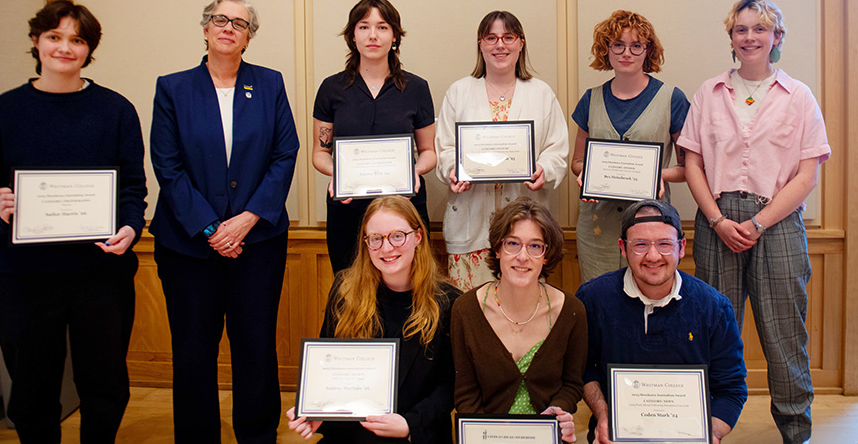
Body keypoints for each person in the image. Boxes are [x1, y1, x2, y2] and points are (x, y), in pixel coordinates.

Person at [0, 0, 147, 442]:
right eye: (54, 37)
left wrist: (129, 226)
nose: (65, 48)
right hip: (24, 277)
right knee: (31, 390)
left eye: (77, 40)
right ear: (36, 42)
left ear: (89, 49)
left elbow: (132, 188)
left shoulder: (115, 110)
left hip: (100, 273)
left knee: (105, 385)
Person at [678, 0, 830, 444]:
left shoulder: (798, 96)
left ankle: (795, 431)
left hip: (778, 224)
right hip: (716, 220)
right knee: (709, 330)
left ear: (776, 37)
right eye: (741, 30)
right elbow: (693, 164)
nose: (750, 37)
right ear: (731, 38)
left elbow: (807, 175)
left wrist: (759, 222)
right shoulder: (709, 92)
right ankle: (703, 429)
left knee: (784, 332)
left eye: (760, 29)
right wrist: (718, 219)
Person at [150, 0, 299, 443]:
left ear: (249, 37)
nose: (228, 27)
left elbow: (285, 153)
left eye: (239, 23)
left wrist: (248, 217)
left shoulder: (269, 84)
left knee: (255, 347)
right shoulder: (173, 87)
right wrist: (212, 228)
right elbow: (166, 164)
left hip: (257, 243)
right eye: (220, 19)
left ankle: (257, 436)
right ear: (205, 28)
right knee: (193, 352)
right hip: (188, 246)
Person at [287, 196, 460, 444]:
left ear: (418, 237)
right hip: (352, 433)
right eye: (376, 239)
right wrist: (317, 410)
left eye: (397, 236)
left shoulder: (449, 302)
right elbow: (326, 364)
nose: (387, 248)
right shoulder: (345, 290)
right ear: (366, 243)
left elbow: (449, 385)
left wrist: (410, 424)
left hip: (413, 432)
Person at [576, 199, 747, 444]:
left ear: (681, 247)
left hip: (689, 437)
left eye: (665, 244)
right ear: (623, 248)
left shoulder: (713, 307)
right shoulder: (593, 298)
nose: (653, 256)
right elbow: (583, 369)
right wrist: (603, 416)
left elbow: (731, 388)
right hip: (615, 435)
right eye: (640, 245)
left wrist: (713, 432)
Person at [436, 11, 569, 290]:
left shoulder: (541, 93)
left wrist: (545, 169)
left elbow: (557, 150)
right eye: (491, 37)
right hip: (470, 228)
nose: (500, 45)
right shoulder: (459, 92)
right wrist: (452, 170)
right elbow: (445, 146)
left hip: (526, 232)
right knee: (471, 315)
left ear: (521, 44)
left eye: (508, 37)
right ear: (480, 44)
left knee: (520, 312)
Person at [313, 0, 436, 273]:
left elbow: (429, 152)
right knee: (349, 289)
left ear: (394, 37)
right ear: (352, 37)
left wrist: (414, 171)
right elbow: (320, 153)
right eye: (363, 26)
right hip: (348, 208)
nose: (372, 35)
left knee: (409, 288)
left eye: (382, 27)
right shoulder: (331, 89)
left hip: (405, 206)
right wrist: (338, 175)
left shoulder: (416, 88)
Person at [451, 197, 585, 443]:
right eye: (513, 243)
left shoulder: (572, 310)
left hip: (548, 436)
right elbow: (465, 395)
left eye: (535, 246)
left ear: (546, 255)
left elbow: (573, 385)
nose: (523, 256)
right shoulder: (465, 310)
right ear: (498, 249)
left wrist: (558, 410)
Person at [570, 10, 689, 283]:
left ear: (648, 51)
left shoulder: (672, 99)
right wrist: (587, 175)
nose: (627, 53)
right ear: (606, 50)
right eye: (618, 45)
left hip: (650, 229)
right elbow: (577, 161)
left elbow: (687, 168)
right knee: (600, 305)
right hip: (597, 228)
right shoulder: (591, 100)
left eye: (636, 46)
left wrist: (657, 175)